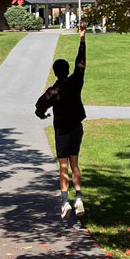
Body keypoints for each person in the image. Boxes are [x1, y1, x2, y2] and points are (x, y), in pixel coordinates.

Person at [35, 23, 87, 219]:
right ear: (67, 70)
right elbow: (81, 63)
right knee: (75, 164)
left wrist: (42, 115)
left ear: (55, 72)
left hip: (62, 131)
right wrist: (82, 39)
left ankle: (65, 202)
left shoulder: (52, 92)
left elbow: (39, 107)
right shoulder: (76, 82)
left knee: (63, 166)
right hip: (77, 128)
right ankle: (79, 198)